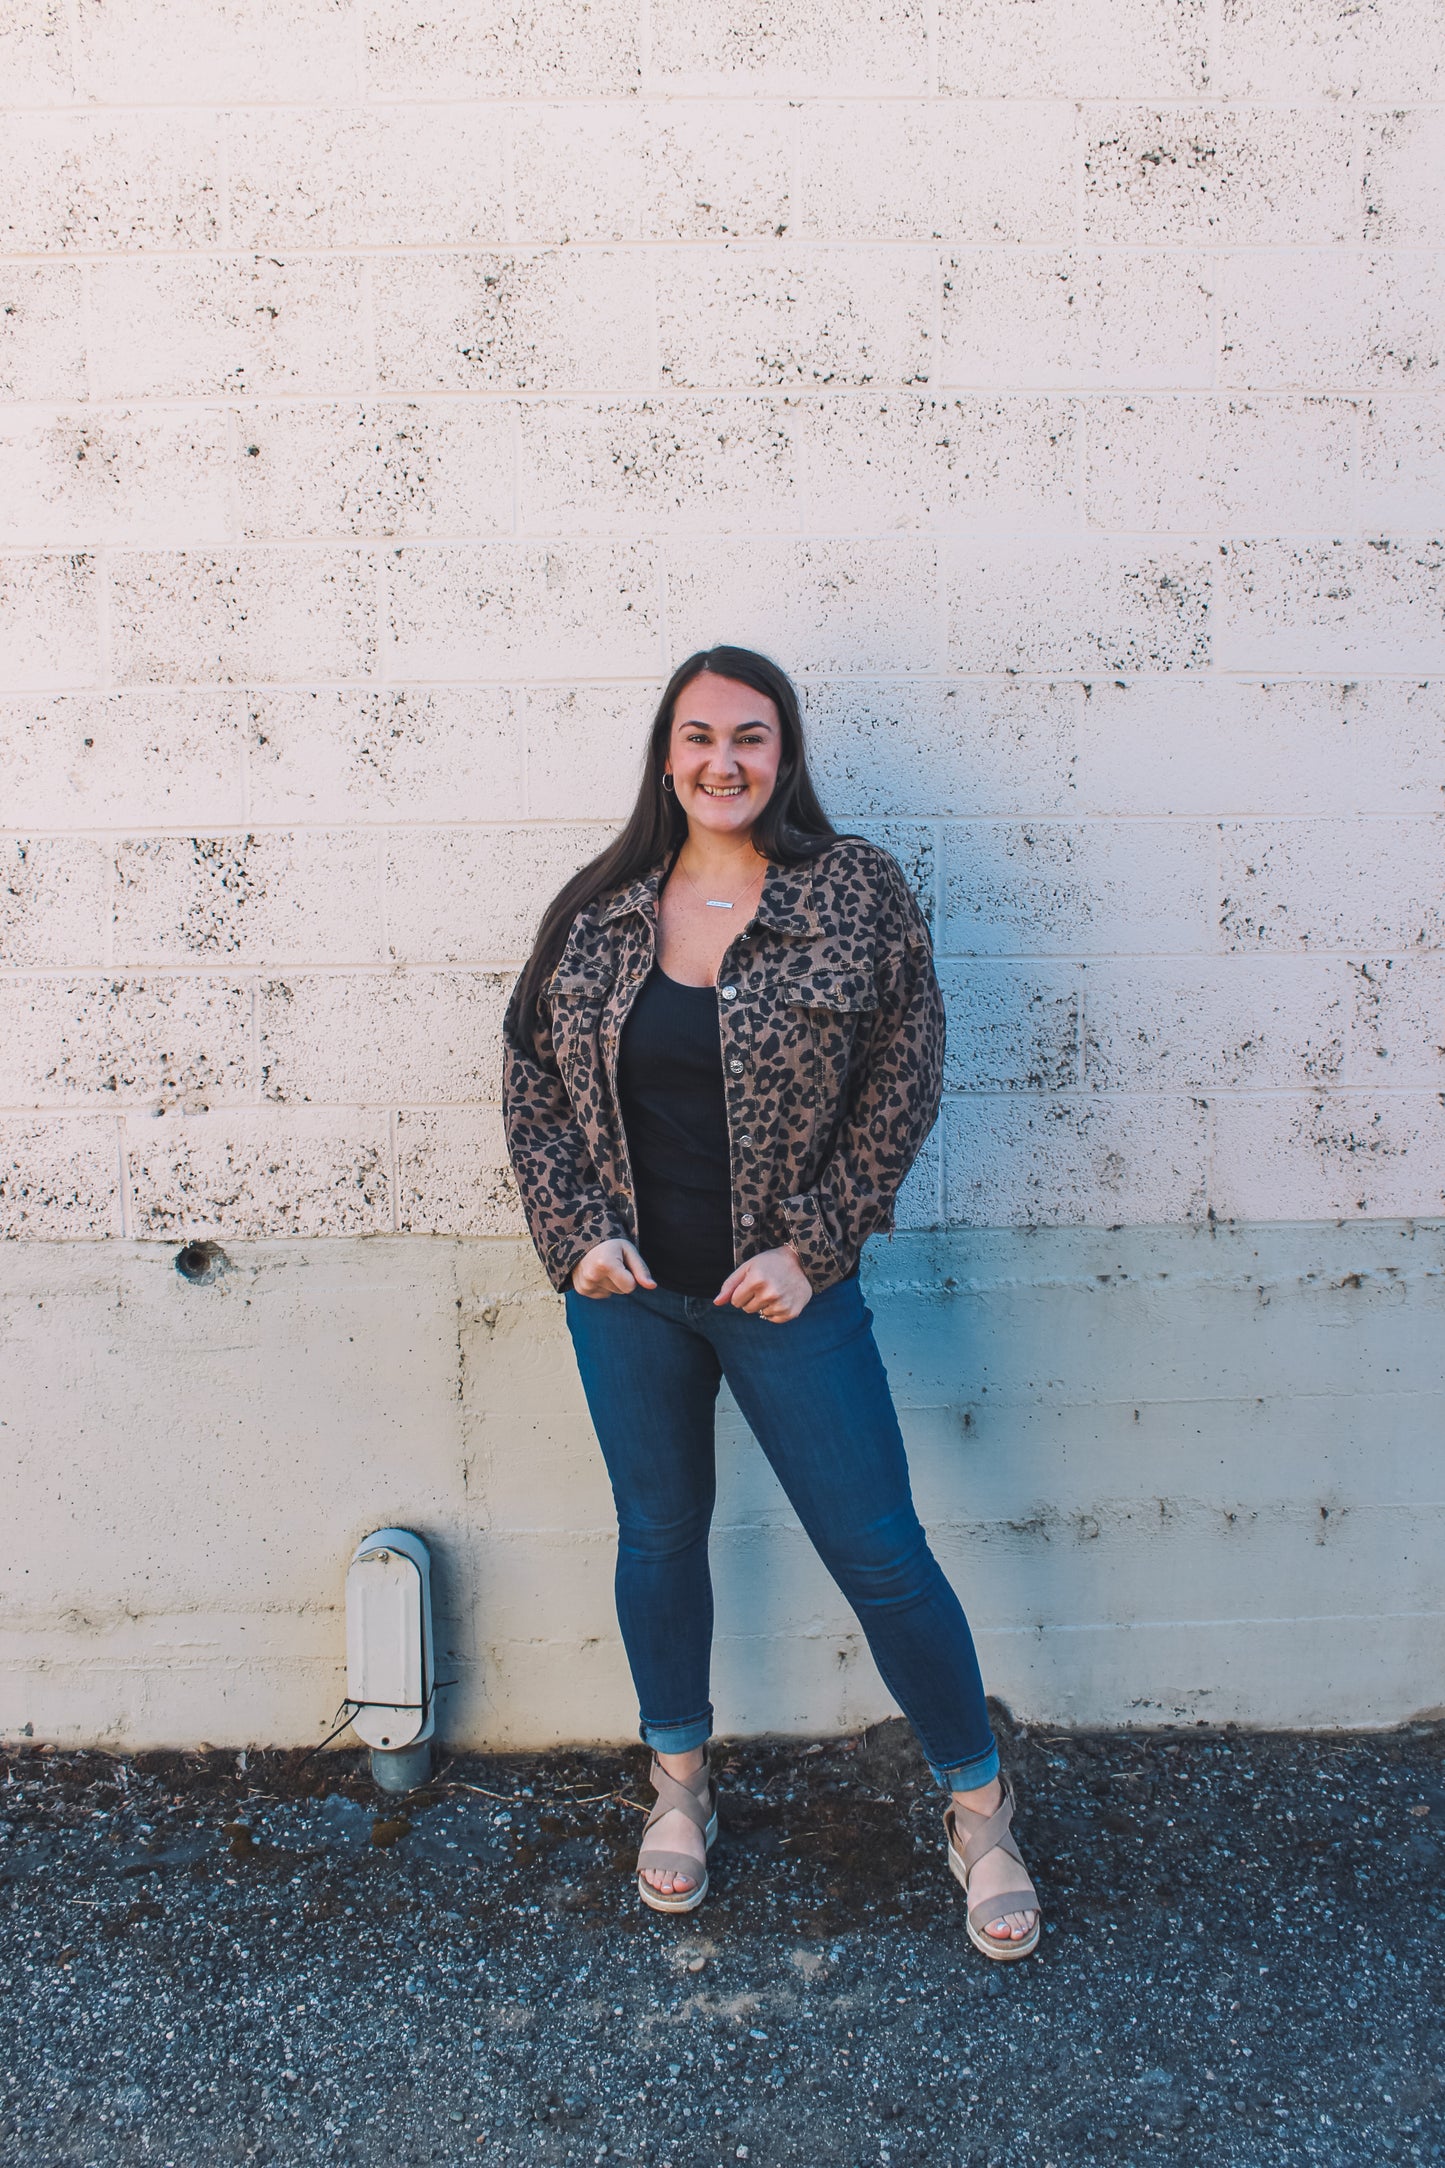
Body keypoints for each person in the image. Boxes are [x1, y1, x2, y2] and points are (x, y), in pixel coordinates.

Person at [502, 645, 1040, 1958]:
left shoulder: (850, 890)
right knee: (659, 1538)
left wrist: (812, 1240)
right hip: (629, 1299)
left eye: (749, 736)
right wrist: (575, 1237)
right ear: (666, 754)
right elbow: (529, 1078)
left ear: (783, 755)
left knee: (878, 1553)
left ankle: (978, 1808)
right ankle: (677, 1784)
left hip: (787, 1300)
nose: (722, 760)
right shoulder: (605, 902)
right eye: (697, 736)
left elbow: (902, 1073)